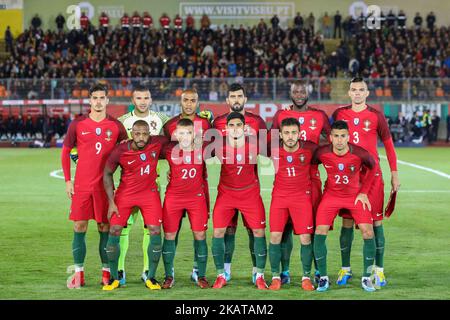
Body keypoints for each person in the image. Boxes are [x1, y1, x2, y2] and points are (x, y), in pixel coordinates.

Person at [332, 77, 400, 288]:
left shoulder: (376, 116)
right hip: (349, 177)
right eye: (354, 90)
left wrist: (394, 173)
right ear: (349, 93)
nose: (358, 93)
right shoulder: (339, 114)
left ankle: (378, 270)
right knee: (347, 222)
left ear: (367, 93)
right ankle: (345, 268)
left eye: (361, 90)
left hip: (373, 177)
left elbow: (388, 146)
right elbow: (329, 138)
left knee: (376, 222)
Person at [61, 84, 128, 289]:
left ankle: (106, 272)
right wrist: (68, 180)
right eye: (95, 98)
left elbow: (126, 155)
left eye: (102, 98)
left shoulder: (116, 126)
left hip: (104, 188)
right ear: (90, 100)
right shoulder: (77, 124)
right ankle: (79, 273)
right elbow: (65, 152)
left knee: (104, 228)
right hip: (81, 185)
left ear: (108, 100)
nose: (98, 101)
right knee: (79, 226)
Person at [272, 80, 331, 285]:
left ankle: (316, 271)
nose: (299, 94)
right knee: (285, 228)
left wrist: (315, 150)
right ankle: (285, 271)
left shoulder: (319, 115)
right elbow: (270, 140)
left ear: (308, 93)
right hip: (288, 179)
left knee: (312, 229)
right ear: (290, 93)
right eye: (295, 91)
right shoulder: (281, 115)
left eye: (302, 91)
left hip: (312, 179)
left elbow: (331, 141)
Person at [312, 120, 377, 292]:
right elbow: (310, 165)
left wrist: (364, 191)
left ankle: (366, 277)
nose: (339, 140)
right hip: (331, 196)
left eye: (343, 136)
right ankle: (324, 278)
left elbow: (373, 167)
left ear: (348, 137)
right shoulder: (322, 152)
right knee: (319, 231)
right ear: (331, 138)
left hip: (354, 197)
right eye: (336, 136)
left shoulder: (360, 153)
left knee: (368, 232)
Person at [102, 120, 168, 291]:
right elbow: (107, 173)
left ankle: (151, 277)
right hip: (125, 195)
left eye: (144, 134)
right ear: (132, 133)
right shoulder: (120, 150)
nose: (141, 137)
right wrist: (111, 202)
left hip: (149, 195)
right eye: (137, 133)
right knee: (115, 230)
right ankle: (114, 278)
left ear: (149, 133)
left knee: (154, 230)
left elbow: (178, 141)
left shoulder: (157, 143)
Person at [212, 83, 267, 284]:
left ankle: (257, 272)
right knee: (227, 229)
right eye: (232, 96)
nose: (236, 99)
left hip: (249, 188)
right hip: (226, 189)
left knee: (255, 230)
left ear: (245, 99)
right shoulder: (217, 124)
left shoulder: (257, 122)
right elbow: (202, 152)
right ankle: (224, 271)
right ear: (227, 100)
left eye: (239, 96)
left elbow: (270, 149)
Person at [115, 85, 170, 284]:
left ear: (151, 99)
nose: (143, 101)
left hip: (152, 183)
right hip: (128, 184)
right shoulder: (122, 122)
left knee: (151, 229)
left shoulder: (161, 120)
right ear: (132, 99)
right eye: (139, 98)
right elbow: (116, 150)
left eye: (146, 97)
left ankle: (147, 271)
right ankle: (119, 270)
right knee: (123, 229)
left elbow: (173, 141)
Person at [163, 89, 213, 283]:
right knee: (170, 233)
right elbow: (158, 149)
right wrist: (171, 169)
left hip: (198, 186)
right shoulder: (169, 125)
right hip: (175, 188)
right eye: (186, 100)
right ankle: (170, 274)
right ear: (180, 101)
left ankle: (198, 272)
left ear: (197, 102)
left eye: (193, 100)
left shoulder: (206, 124)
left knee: (199, 232)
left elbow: (216, 148)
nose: (189, 104)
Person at [268, 117, 318, 291]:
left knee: (305, 238)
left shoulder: (310, 149)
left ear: (299, 134)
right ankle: (275, 276)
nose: (290, 136)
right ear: (280, 134)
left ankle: (306, 277)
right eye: (287, 133)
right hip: (279, 198)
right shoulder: (272, 149)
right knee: (275, 237)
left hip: (301, 198)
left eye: (294, 133)